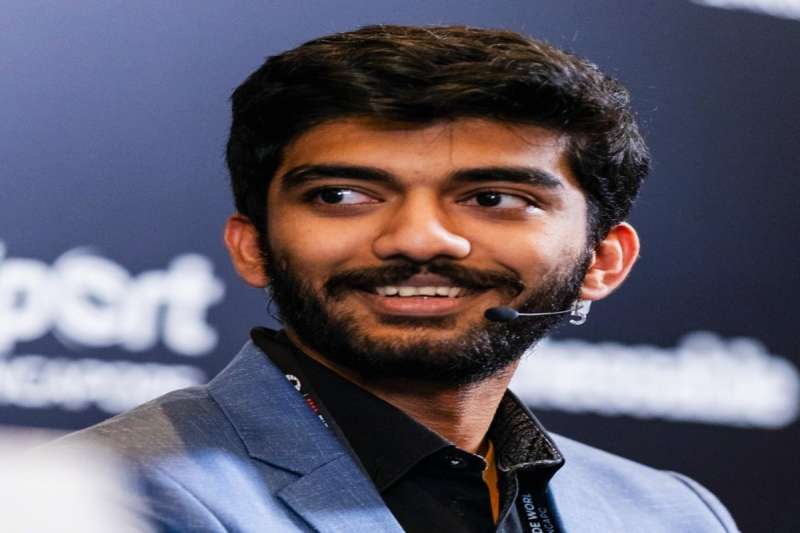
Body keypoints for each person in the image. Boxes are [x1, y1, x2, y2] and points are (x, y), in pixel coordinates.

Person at [54, 25, 739, 532]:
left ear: (603, 261)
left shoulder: (673, 514)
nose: (418, 238)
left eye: (494, 197)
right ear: (253, 245)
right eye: (341, 195)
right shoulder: (100, 498)